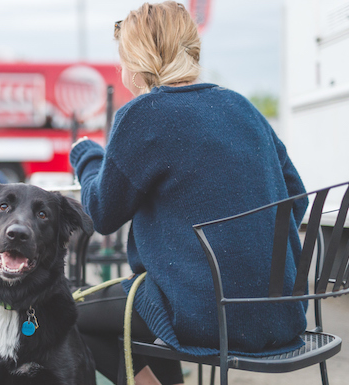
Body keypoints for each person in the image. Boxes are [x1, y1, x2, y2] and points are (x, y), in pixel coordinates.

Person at [69, 2, 308, 385]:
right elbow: (297, 197)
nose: (120, 70)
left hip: (204, 317)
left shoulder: (143, 114)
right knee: (147, 303)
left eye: (122, 58)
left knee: (62, 312)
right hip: (283, 314)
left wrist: (87, 158)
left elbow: (102, 212)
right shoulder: (242, 107)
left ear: (138, 58)